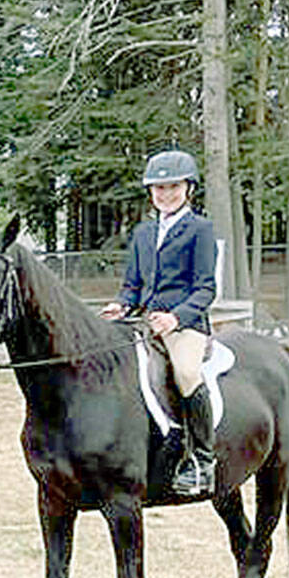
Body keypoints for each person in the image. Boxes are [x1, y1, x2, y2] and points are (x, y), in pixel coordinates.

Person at [100, 149, 218, 496]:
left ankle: (202, 459)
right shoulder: (143, 233)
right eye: (159, 189)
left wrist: (176, 317)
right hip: (146, 323)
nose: (166, 195)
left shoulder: (201, 229)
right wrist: (121, 305)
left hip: (186, 324)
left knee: (185, 372)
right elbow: (133, 285)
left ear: (188, 189)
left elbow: (205, 288)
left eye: (173, 187)